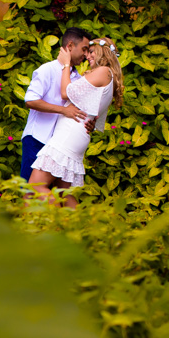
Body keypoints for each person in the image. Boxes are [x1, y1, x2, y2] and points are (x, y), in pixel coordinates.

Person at [28, 37, 124, 209]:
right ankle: (78, 225)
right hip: (75, 134)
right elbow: (93, 111)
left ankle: (57, 223)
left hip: (68, 136)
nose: (88, 56)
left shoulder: (103, 71)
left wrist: (66, 64)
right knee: (63, 193)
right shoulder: (108, 75)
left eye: (92, 52)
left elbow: (66, 93)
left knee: (36, 186)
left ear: (103, 52)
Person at [20, 27, 96, 182]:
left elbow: (80, 110)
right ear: (70, 46)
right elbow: (31, 100)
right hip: (37, 139)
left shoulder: (78, 79)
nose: (86, 55)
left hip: (59, 147)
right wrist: (63, 110)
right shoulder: (47, 70)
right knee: (30, 191)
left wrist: (90, 123)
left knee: (54, 193)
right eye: (84, 49)